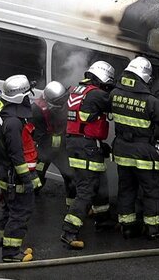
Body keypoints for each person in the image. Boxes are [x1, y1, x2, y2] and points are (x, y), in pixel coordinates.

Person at [110, 57, 159, 239]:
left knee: (126, 189)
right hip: (143, 152)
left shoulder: (114, 94)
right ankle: (153, 228)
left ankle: (127, 226)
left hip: (122, 150)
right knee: (152, 190)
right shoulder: (150, 101)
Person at [0, 75, 42, 262]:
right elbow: (17, 155)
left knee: (9, 209)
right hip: (14, 175)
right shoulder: (14, 123)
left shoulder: (5, 110)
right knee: (20, 212)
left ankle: (7, 243)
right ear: (19, 98)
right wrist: (27, 180)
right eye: (26, 95)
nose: (28, 98)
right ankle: (11, 253)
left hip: (5, 172)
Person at [60, 61, 116, 249]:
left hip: (79, 143)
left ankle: (103, 220)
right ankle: (69, 231)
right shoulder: (97, 95)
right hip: (86, 146)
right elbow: (114, 104)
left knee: (100, 182)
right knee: (87, 189)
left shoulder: (76, 90)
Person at [29, 80, 77, 207]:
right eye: (59, 103)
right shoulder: (37, 110)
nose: (62, 105)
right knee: (37, 176)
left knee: (70, 175)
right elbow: (39, 136)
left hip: (61, 149)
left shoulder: (64, 100)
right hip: (45, 149)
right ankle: (29, 199)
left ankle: (71, 205)